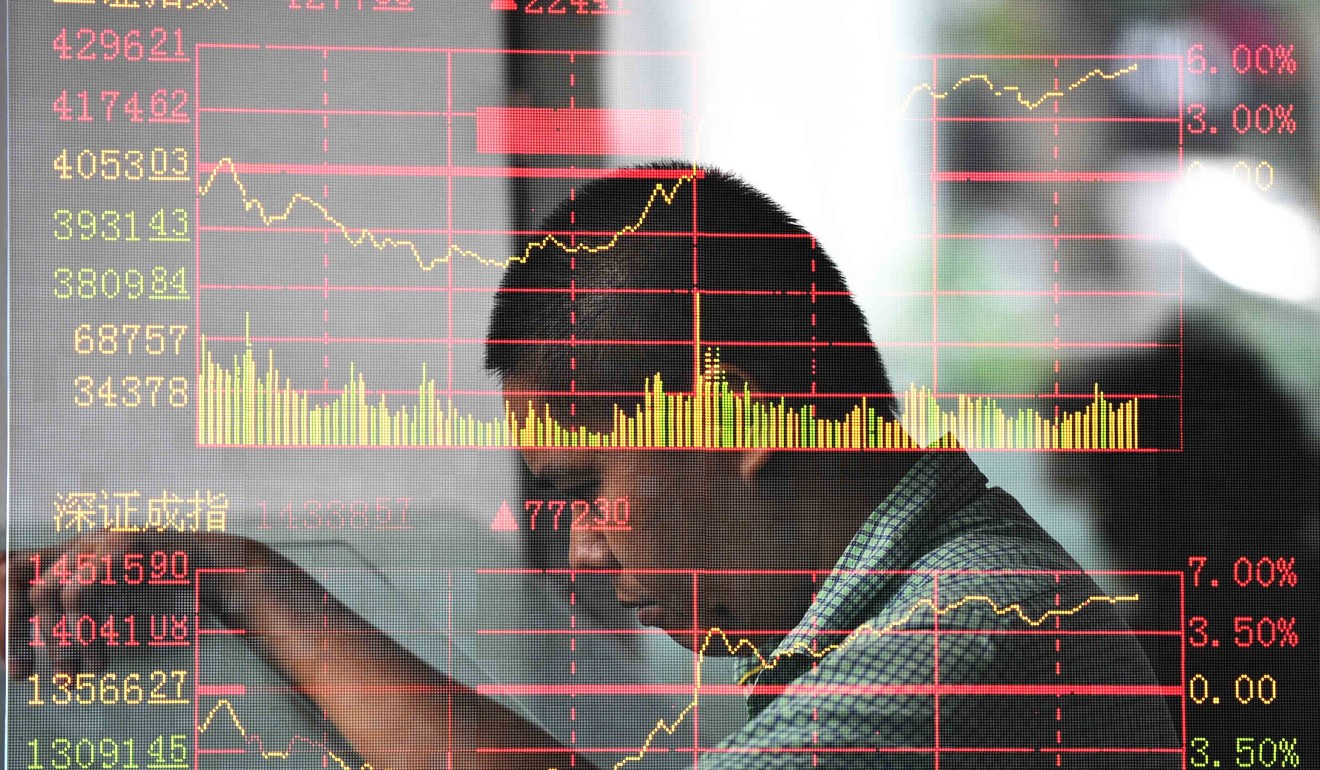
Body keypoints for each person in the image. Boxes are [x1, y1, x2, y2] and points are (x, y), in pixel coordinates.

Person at [9, 164, 1177, 768]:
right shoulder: (948, 591)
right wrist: (244, 573)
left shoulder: (970, 635)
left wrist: (256, 581)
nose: (575, 546)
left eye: (583, 487)